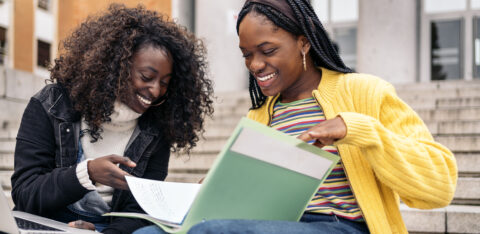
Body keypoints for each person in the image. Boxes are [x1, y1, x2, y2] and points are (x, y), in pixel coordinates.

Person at [134, 0, 457, 233]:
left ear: (303, 43)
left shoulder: (365, 92)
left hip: (340, 226)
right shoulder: (260, 115)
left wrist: (358, 130)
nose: (255, 65)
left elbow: (440, 186)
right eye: (247, 54)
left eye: (267, 50)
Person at [11, 4, 213, 234]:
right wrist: (87, 174)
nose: (155, 90)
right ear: (116, 67)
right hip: (45, 224)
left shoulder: (157, 129)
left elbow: (138, 213)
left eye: (165, 83)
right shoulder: (52, 105)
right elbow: (25, 193)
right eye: (146, 77)